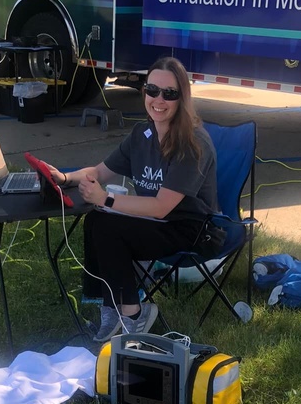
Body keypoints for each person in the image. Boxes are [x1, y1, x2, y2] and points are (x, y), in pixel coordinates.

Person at [46, 57, 218, 342]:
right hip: (157, 221)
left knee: (107, 225)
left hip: (192, 228)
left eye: (169, 93)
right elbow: (101, 172)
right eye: (152, 90)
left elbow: (162, 207)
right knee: (96, 221)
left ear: (182, 98)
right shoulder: (143, 134)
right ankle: (111, 307)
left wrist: (107, 199)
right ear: (144, 92)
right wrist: (65, 178)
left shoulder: (193, 144)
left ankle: (134, 313)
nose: (158, 100)